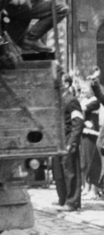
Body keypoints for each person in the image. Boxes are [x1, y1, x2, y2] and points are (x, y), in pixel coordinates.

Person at [52, 75, 85, 212]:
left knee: (70, 172)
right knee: (58, 173)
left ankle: (72, 202)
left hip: (67, 140)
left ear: (65, 84)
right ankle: (63, 199)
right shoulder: (57, 100)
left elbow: (78, 123)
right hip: (57, 142)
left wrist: (72, 142)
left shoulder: (71, 101)